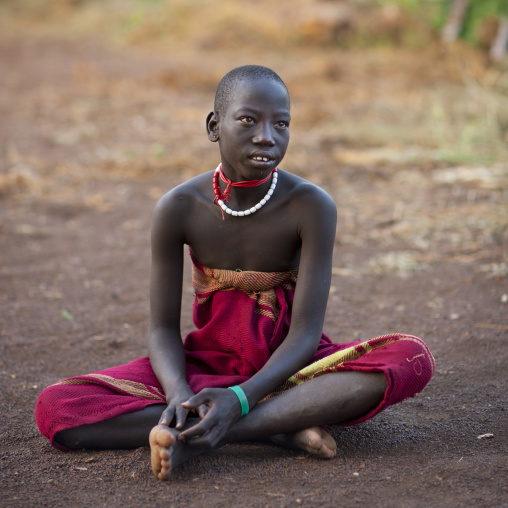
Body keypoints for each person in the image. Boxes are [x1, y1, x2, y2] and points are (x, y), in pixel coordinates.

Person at [35, 65, 434, 481]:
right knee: (56, 406)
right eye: (248, 120)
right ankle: (273, 426)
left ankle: (210, 432)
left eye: (281, 123)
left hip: (290, 369)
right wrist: (179, 394)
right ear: (214, 126)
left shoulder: (311, 207)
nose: (267, 136)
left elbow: (305, 335)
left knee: (412, 356)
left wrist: (240, 400)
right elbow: (160, 330)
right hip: (202, 367)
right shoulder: (179, 208)